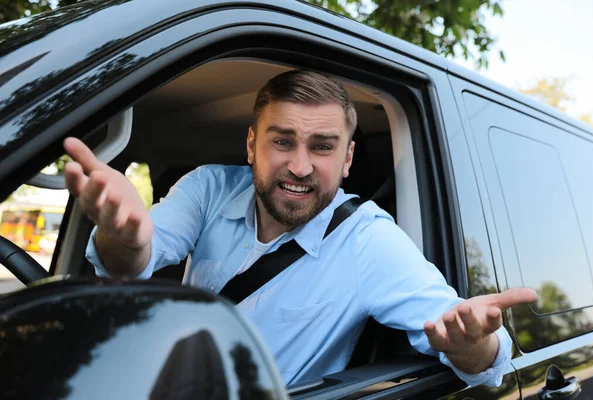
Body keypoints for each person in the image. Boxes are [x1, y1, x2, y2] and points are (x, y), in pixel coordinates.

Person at [63, 70, 537, 386]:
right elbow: (135, 255)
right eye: (283, 141)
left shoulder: (368, 240)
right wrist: (123, 238)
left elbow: (487, 363)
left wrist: (472, 344)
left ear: (347, 158)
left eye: (323, 146)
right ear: (252, 145)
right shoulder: (208, 188)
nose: (301, 166)